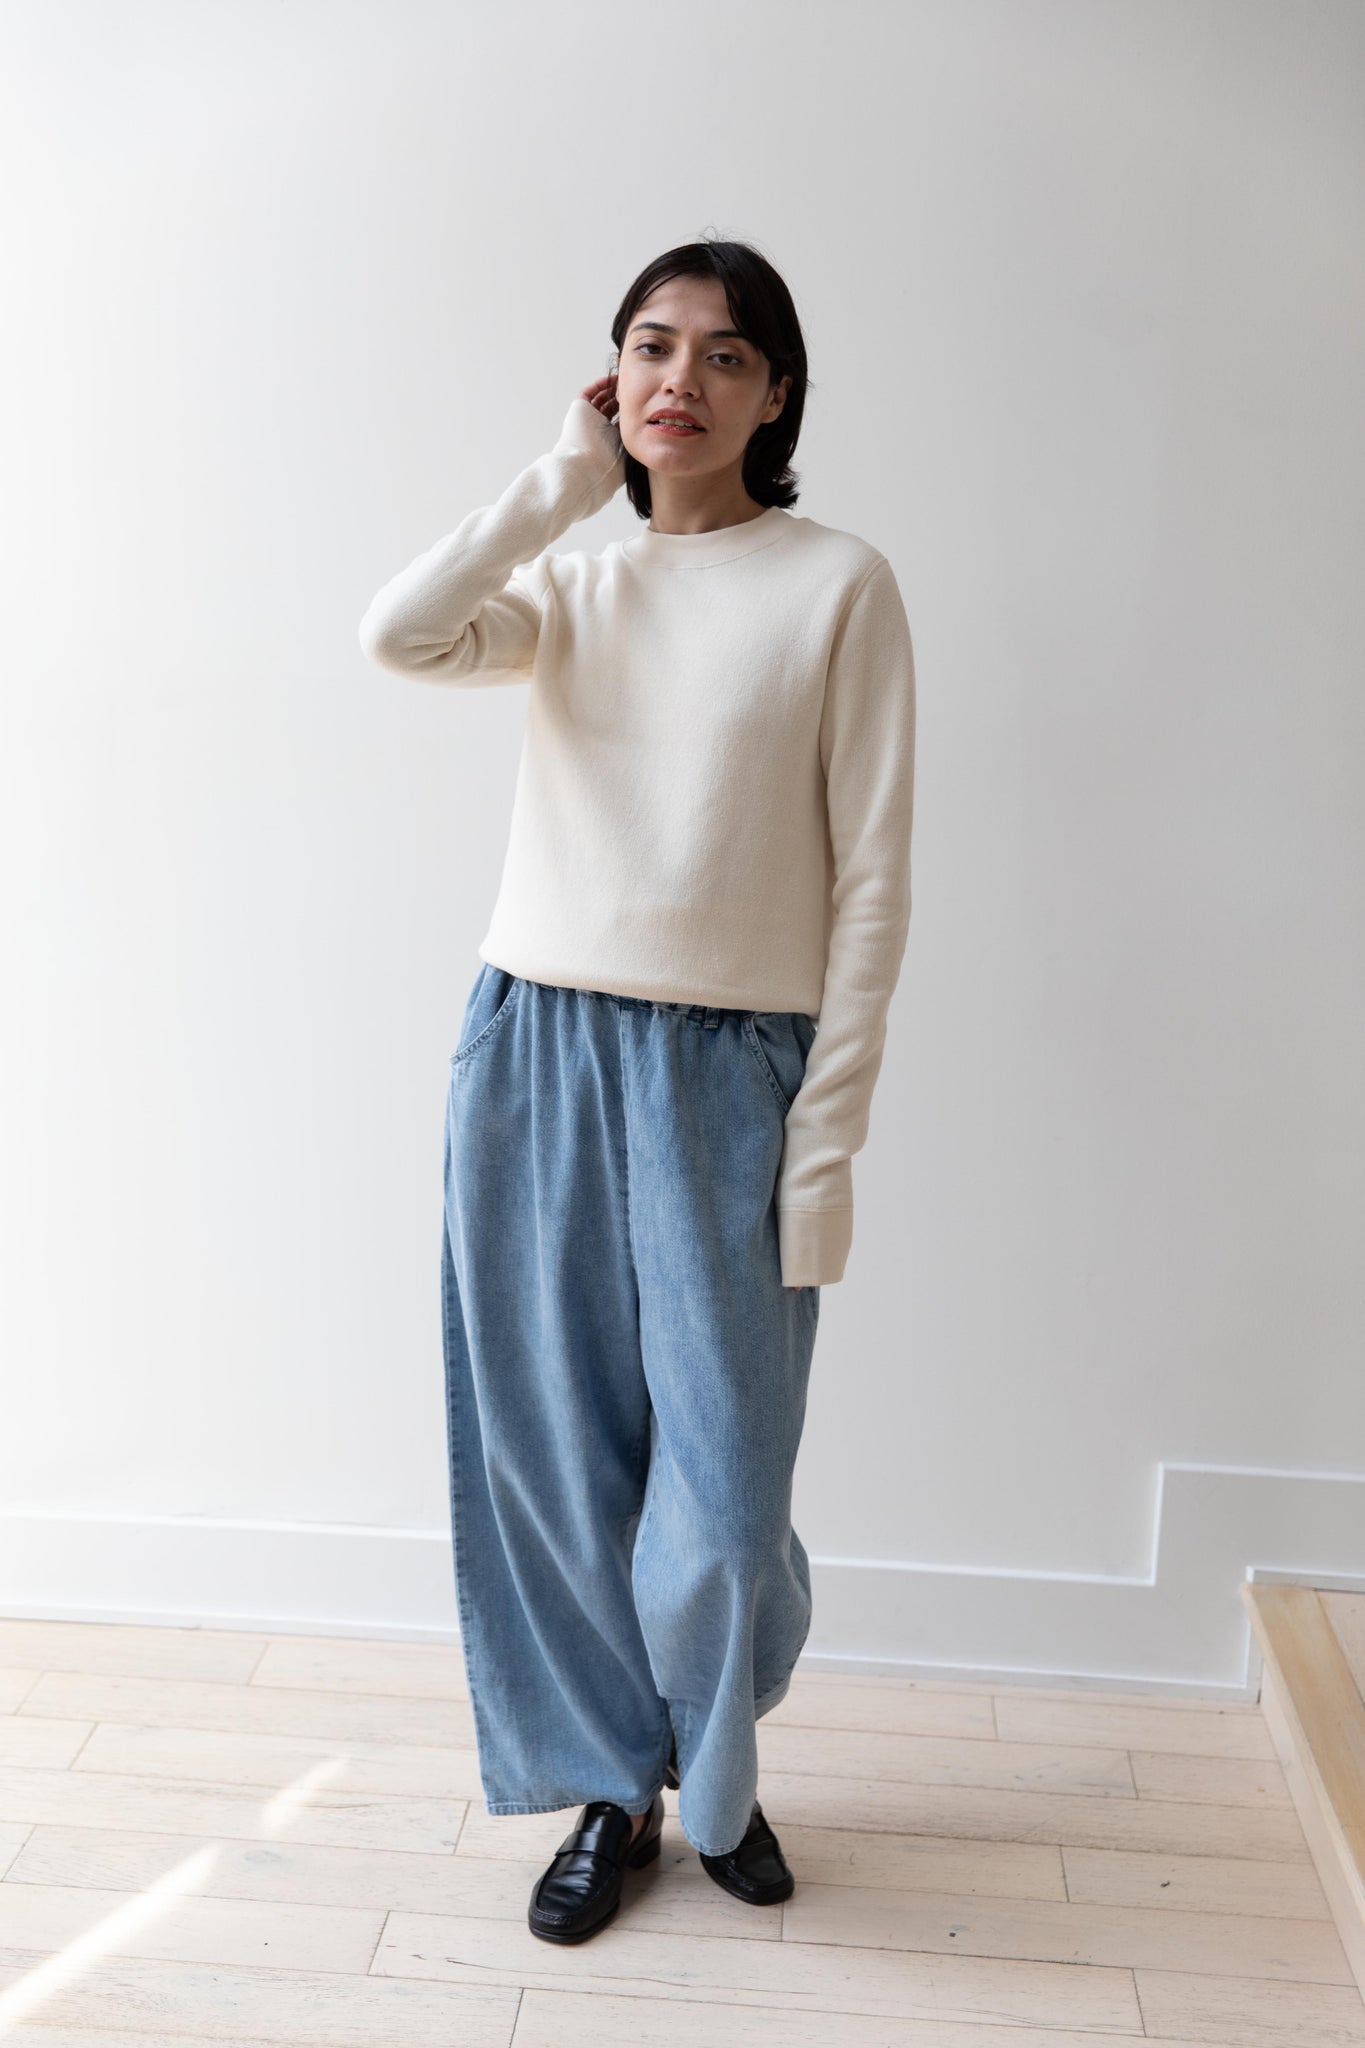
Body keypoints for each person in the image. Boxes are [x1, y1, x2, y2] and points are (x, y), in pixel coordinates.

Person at [358, 236, 917, 1944]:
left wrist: (825, 1144)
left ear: (776, 394)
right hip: (534, 1048)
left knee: (728, 1491)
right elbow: (399, 632)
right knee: (551, 1456)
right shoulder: (571, 591)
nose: (684, 378)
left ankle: (714, 1762)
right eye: (653, 346)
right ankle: (616, 1788)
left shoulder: (836, 585)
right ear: (612, 380)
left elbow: (872, 882)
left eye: (726, 354)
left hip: (730, 1074)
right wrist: (560, 483)